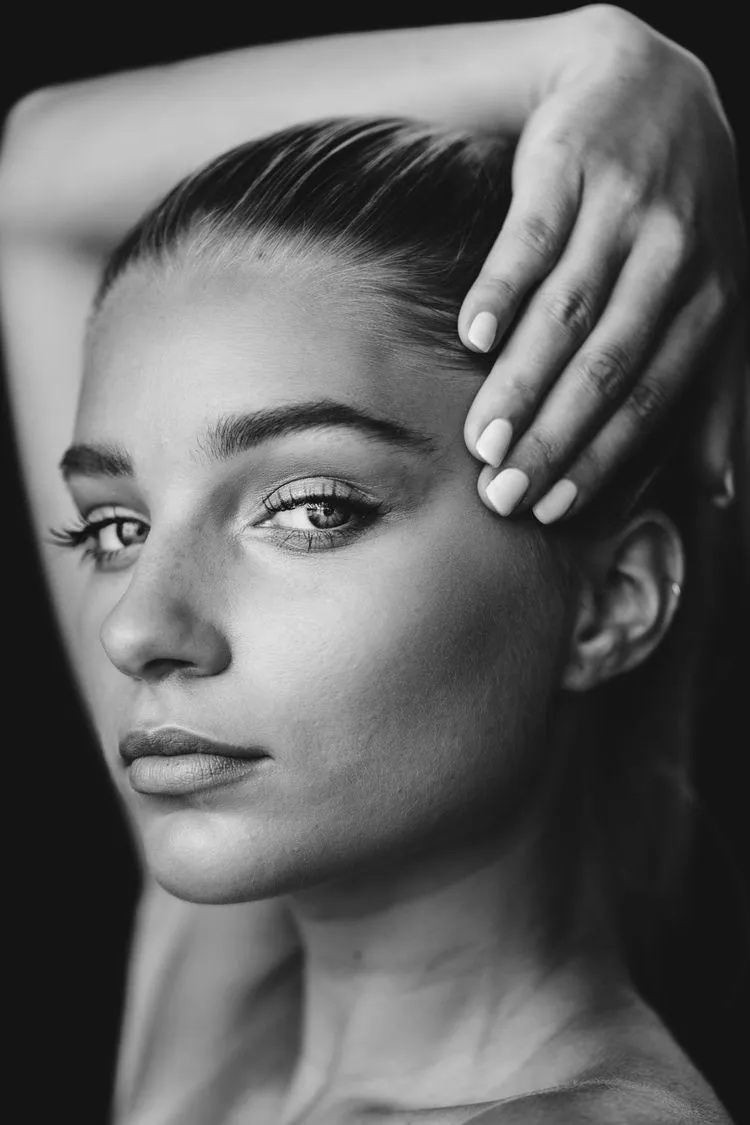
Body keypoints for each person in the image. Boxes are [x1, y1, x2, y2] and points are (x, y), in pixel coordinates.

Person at [0, 9, 744, 1125]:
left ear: (609, 604)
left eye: (310, 509)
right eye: (116, 528)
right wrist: (590, 62)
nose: (136, 628)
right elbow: (35, 195)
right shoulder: (239, 973)